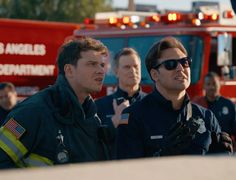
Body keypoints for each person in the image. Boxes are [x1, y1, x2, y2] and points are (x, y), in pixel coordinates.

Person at [0, 37, 109, 169]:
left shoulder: (91, 117)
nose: (101, 71)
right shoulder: (31, 112)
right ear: (69, 70)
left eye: (102, 65)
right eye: (92, 64)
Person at [116, 37, 233, 159]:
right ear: (155, 74)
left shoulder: (207, 117)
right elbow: (128, 172)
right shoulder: (134, 117)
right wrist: (162, 156)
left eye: (185, 62)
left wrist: (220, 159)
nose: (180, 68)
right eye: (170, 64)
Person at [95, 48, 146, 159]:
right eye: (127, 67)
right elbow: (93, 143)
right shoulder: (100, 106)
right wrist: (114, 122)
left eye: (136, 66)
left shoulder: (152, 103)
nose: (133, 71)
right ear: (116, 72)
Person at [193, 72, 236, 148]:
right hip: (202, 151)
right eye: (208, 84)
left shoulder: (229, 105)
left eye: (214, 84)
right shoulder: (197, 104)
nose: (211, 87)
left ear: (219, 85)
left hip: (223, 149)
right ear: (204, 86)